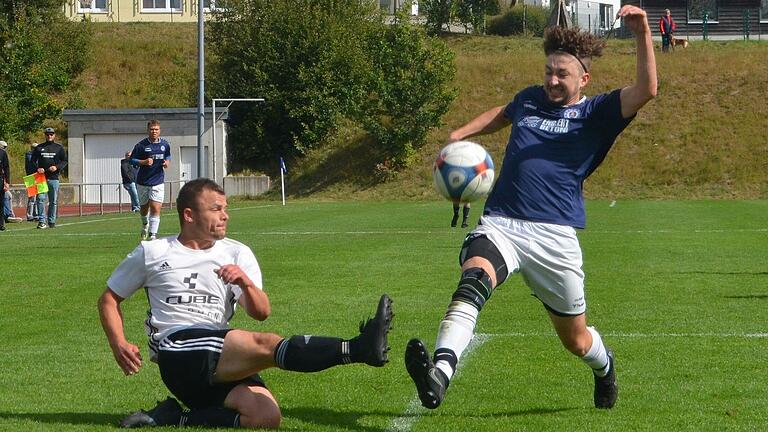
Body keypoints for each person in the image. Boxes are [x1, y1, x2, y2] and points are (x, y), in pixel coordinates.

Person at [404, 5, 657, 411]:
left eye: (562, 75)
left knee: (575, 339)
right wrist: (461, 133)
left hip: (555, 236)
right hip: (502, 221)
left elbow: (646, 90)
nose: (552, 81)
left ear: (584, 79)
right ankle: (440, 372)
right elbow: (503, 114)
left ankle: (604, 366)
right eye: (548, 72)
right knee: (473, 281)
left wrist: (643, 30)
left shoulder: (596, 113)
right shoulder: (529, 100)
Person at [98, 177, 394, 429]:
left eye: (226, 209)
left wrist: (246, 283)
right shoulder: (153, 251)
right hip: (177, 349)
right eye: (216, 209)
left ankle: (175, 417)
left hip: (215, 352)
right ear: (189, 215)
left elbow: (261, 312)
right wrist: (118, 343)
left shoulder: (238, 253)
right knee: (266, 344)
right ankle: (357, 348)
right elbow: (109, 299)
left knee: (265, 416)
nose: (225, 215)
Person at [131, 120, 170, 240]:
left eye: (156, 129)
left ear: (160, 131)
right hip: (143, 182)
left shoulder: (165, 145)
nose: (154, 131)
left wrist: (167, 162)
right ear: (148, 130)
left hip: (158, 181)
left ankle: (153, 235)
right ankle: (145, 224)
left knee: (155, 207)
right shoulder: (141, 146)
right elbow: (132, 160)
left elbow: (167, 155)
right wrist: (143, 162)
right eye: (152, 129)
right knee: (144, 208)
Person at [31, 127, 68, 229]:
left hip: (54, 178)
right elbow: (32, 161)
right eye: (47, 134)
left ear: (54, 135)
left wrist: (56, 167)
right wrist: (38, 168)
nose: (49, 136)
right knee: (40, 199)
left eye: (51, 134)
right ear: (45, 135)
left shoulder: (59, 148)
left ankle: (51, 221)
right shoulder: (39, 147)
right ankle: (42, 221)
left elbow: (64, 161)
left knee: (53, 201)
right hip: (41, 178)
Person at [0, 140, 22, 224]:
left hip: (2, 180)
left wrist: (6, 182)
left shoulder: (2, 154)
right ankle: (8, 215)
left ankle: (8, 215)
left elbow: (6, 169)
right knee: (6, 196)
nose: (4, 149)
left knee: (7, 196)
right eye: (3, 147)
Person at [24, 142, 39, 221]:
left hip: (38, 177)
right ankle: (30, 215)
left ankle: (36, 214)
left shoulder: (36, 155)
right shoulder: (29, 155)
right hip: (31, 177)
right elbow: (33, 165)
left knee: (38, 198)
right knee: (32, 198)